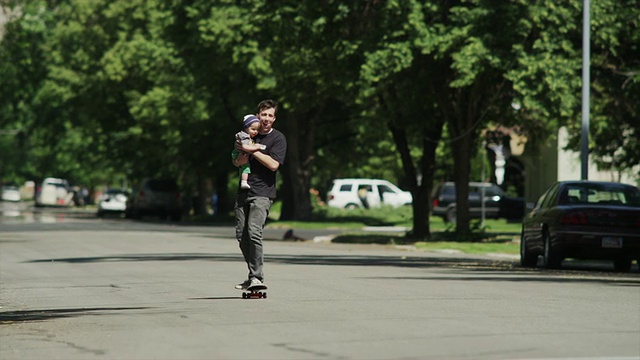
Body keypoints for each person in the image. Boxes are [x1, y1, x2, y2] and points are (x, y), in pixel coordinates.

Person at [232, 99, 287, 290]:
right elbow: (237, 162)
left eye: (270, 115)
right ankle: (252, 275)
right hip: (243, 190)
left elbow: (273, 165)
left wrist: (252, 150)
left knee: (254, 232)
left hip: (263, 193)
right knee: (241, 235)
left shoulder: (277, 139)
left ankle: (257, 276)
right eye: (263, 115)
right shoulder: (248, 134)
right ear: (258, 115)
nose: (266, 119)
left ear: (274, 118)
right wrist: (242, 154)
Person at [231, 114, 267, 189]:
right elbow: (245, 147)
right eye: (253, 129)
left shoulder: (247, 136)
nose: (255, 132)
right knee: (246, 167)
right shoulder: (244, 136)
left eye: (257, 130)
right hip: (240, 154)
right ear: (246, 128)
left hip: (241, 154)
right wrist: (256, 147)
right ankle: (244, 182)